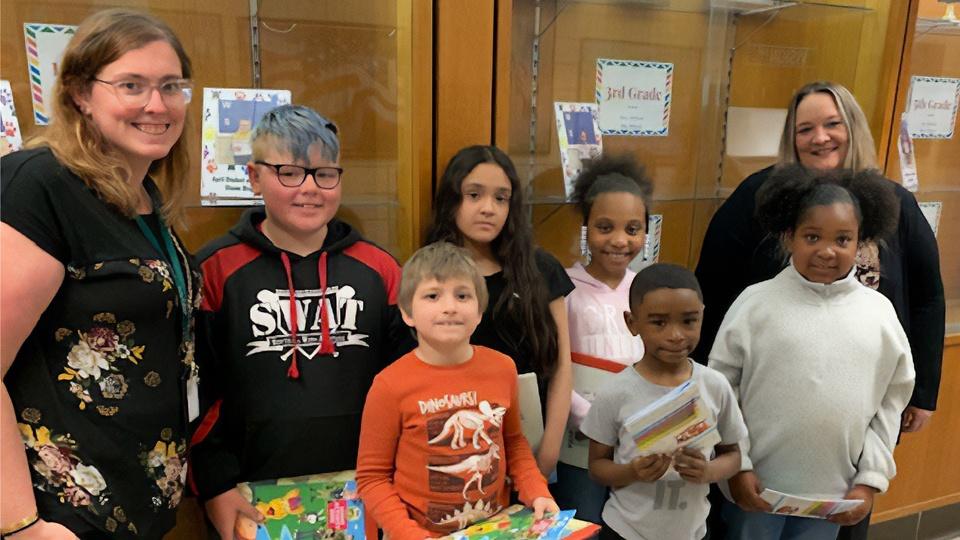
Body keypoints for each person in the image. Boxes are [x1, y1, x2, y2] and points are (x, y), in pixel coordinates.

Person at [693, 82, 944, 539]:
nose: (820, 137)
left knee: (843, 520)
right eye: (805, 128)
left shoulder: (894, 204)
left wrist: (923, 391)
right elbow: (713, 286)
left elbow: (928, 296)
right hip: (767, 422)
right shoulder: (758, 197)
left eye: (832, 124)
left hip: (853, 412)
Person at [1, 9, 198, 538]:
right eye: (131, 85)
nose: (156, 105)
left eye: (171, 86)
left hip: (136, 498)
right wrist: (22, 526)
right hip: (62, 511)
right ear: (80, 95)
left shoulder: (142, 196)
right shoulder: (40, 186)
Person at [189, 104, 413, 538]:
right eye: (289, 172)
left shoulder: (382, 269)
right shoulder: (214, 270)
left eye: (324, 174)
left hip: (365, 488)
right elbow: (196, 394)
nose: (309, 189)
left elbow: (407, 383)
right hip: (251, 494)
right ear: (255, 177)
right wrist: (214, 486)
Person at [709, 166, 916, 540]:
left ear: (860, 242)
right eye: (812, 236)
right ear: (789, 237)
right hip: (755, 490)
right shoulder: (755, 304)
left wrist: (870, 479)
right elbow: (722, 391)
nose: (826, 250)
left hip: (832, 499)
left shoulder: (880, 314)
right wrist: (737, 465)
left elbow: (891, 403)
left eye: (842, 239)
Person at [356, 241, 559, 539]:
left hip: (494, 528)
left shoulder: (503, 368)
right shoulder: (388, 385)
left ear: (479, 311)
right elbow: (372, 478)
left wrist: (537, 491)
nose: (449, 306)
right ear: (407, 312)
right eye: (433, 295)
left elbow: (513, 442)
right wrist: (408, 534)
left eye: (463, 295)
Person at [425, 145, 574, 477]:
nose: (488, 208)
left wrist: (550, 449)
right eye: (474, 195)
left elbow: (563, 365)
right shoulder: (429, 272)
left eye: (501, 198)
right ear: (452, 199)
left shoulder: (541, 268)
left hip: (532, 441)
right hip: (459, 442)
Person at [581, 263, 747, 540]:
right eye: (659, 322)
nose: (675, 335)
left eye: (688, 321)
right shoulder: (616, 391)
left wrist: (708, 470)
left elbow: (734, 455)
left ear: (702, 317)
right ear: (632, 323)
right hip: (627, 531)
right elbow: (597, 467)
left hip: (692, 532)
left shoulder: (714, 385)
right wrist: (632, 471)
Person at [552, 154, 653, 523]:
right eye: (605, 227)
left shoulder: (647, 290)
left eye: (632, 229)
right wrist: (588, 418)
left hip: (634, 440)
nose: (619, 241)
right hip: (579, 441)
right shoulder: (564, 288)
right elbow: (554, 364)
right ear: (586, 227)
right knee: (584, 521)